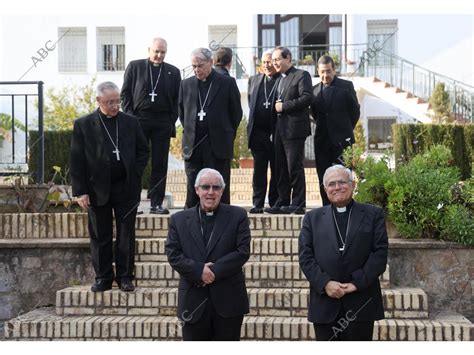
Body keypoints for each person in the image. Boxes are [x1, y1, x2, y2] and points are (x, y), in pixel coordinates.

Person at [70, 81, 149, 292]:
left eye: (118, 101)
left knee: (125, 235)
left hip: (126, 188)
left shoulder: (131, 122)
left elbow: (143, 150)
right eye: (110, 102)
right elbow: (77, 160)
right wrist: (80, 191)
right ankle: (103, 277)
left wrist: (135, 172)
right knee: (100, 235)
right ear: (98, 101)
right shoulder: (83, 124)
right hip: (97, 189)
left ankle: (125, 277)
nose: (115, 106)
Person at [298, 165, 388, 341]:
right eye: (331, 184)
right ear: (325, 190)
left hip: (361, 301)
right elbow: (305, 256)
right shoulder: (312, 218)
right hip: (325, 303)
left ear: (353, 185)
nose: (337, 187)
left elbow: (379, 254)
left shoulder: (373, 214)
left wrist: (356, 283)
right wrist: (325, 283)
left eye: (342, 182)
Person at [166, 168, 251, 340]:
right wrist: (199, 271)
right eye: (205, 187)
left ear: (222, 191)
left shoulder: (238, 215)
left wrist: (213, 271)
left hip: (229, 301)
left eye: (216, 187)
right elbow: (173, 254)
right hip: (193, 300)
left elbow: (242, 251)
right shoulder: (179, 220)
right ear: (197, 190)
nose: (210, 192)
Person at [121, 37, 181, 214]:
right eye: (156, 51)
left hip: (162, 122)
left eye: (162, 52)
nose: (159, 55)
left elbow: (178, 100)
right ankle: (133, 202)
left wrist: (171, 121)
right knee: (135, 162)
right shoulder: (135, 67)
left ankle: (156, 203)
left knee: (160, 164)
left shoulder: (173, 72)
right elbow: (125, 95)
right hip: (138, 120)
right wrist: (131, 119)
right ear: (149, 50)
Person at [179, 47, 243, 209]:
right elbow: (182, 113)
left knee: (219, 186)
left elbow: (235, 114)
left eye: (200, 65)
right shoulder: (186, 84)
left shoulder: (227, 83)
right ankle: (191, 222)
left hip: (218, 145)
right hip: (193, 145)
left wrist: (225, 133)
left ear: (211, 62)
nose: (196, 70)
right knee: (193, 186)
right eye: (193, 66)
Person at [265, 46, 312, 215]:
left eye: (278, 59)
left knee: (294, 167)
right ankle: (283, 201)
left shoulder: (301, 75)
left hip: (294, 130)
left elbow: (307, 98)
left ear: (288, 59)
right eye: (274, 60)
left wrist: (284, 106)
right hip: (280, 130)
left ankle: (298, 203)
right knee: (280, 168)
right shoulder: (280, 79)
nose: (275, 63)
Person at [311, 55, 360, 206]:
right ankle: (326, 208)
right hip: (322, 142)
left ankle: (346, 207)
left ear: (334, 70)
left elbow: (355, 112)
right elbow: (314, 114)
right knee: (323, 177)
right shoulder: (314, 91)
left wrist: (344, 130)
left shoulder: (346, 86)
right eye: (322, 72)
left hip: (342, 141)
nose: (325, 75)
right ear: (318, 72)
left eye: (328, 71)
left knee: (344, 176)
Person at [246, 49, 279, 213]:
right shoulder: (253, 80)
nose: (267, 65)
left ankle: (274, 202)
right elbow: (251, 104)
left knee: (277, 170)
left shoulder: (281, 80)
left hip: (276, 133)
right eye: (264, 62)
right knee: (259, 171)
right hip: (258, 134)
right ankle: (257, 203)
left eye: (270, 62)